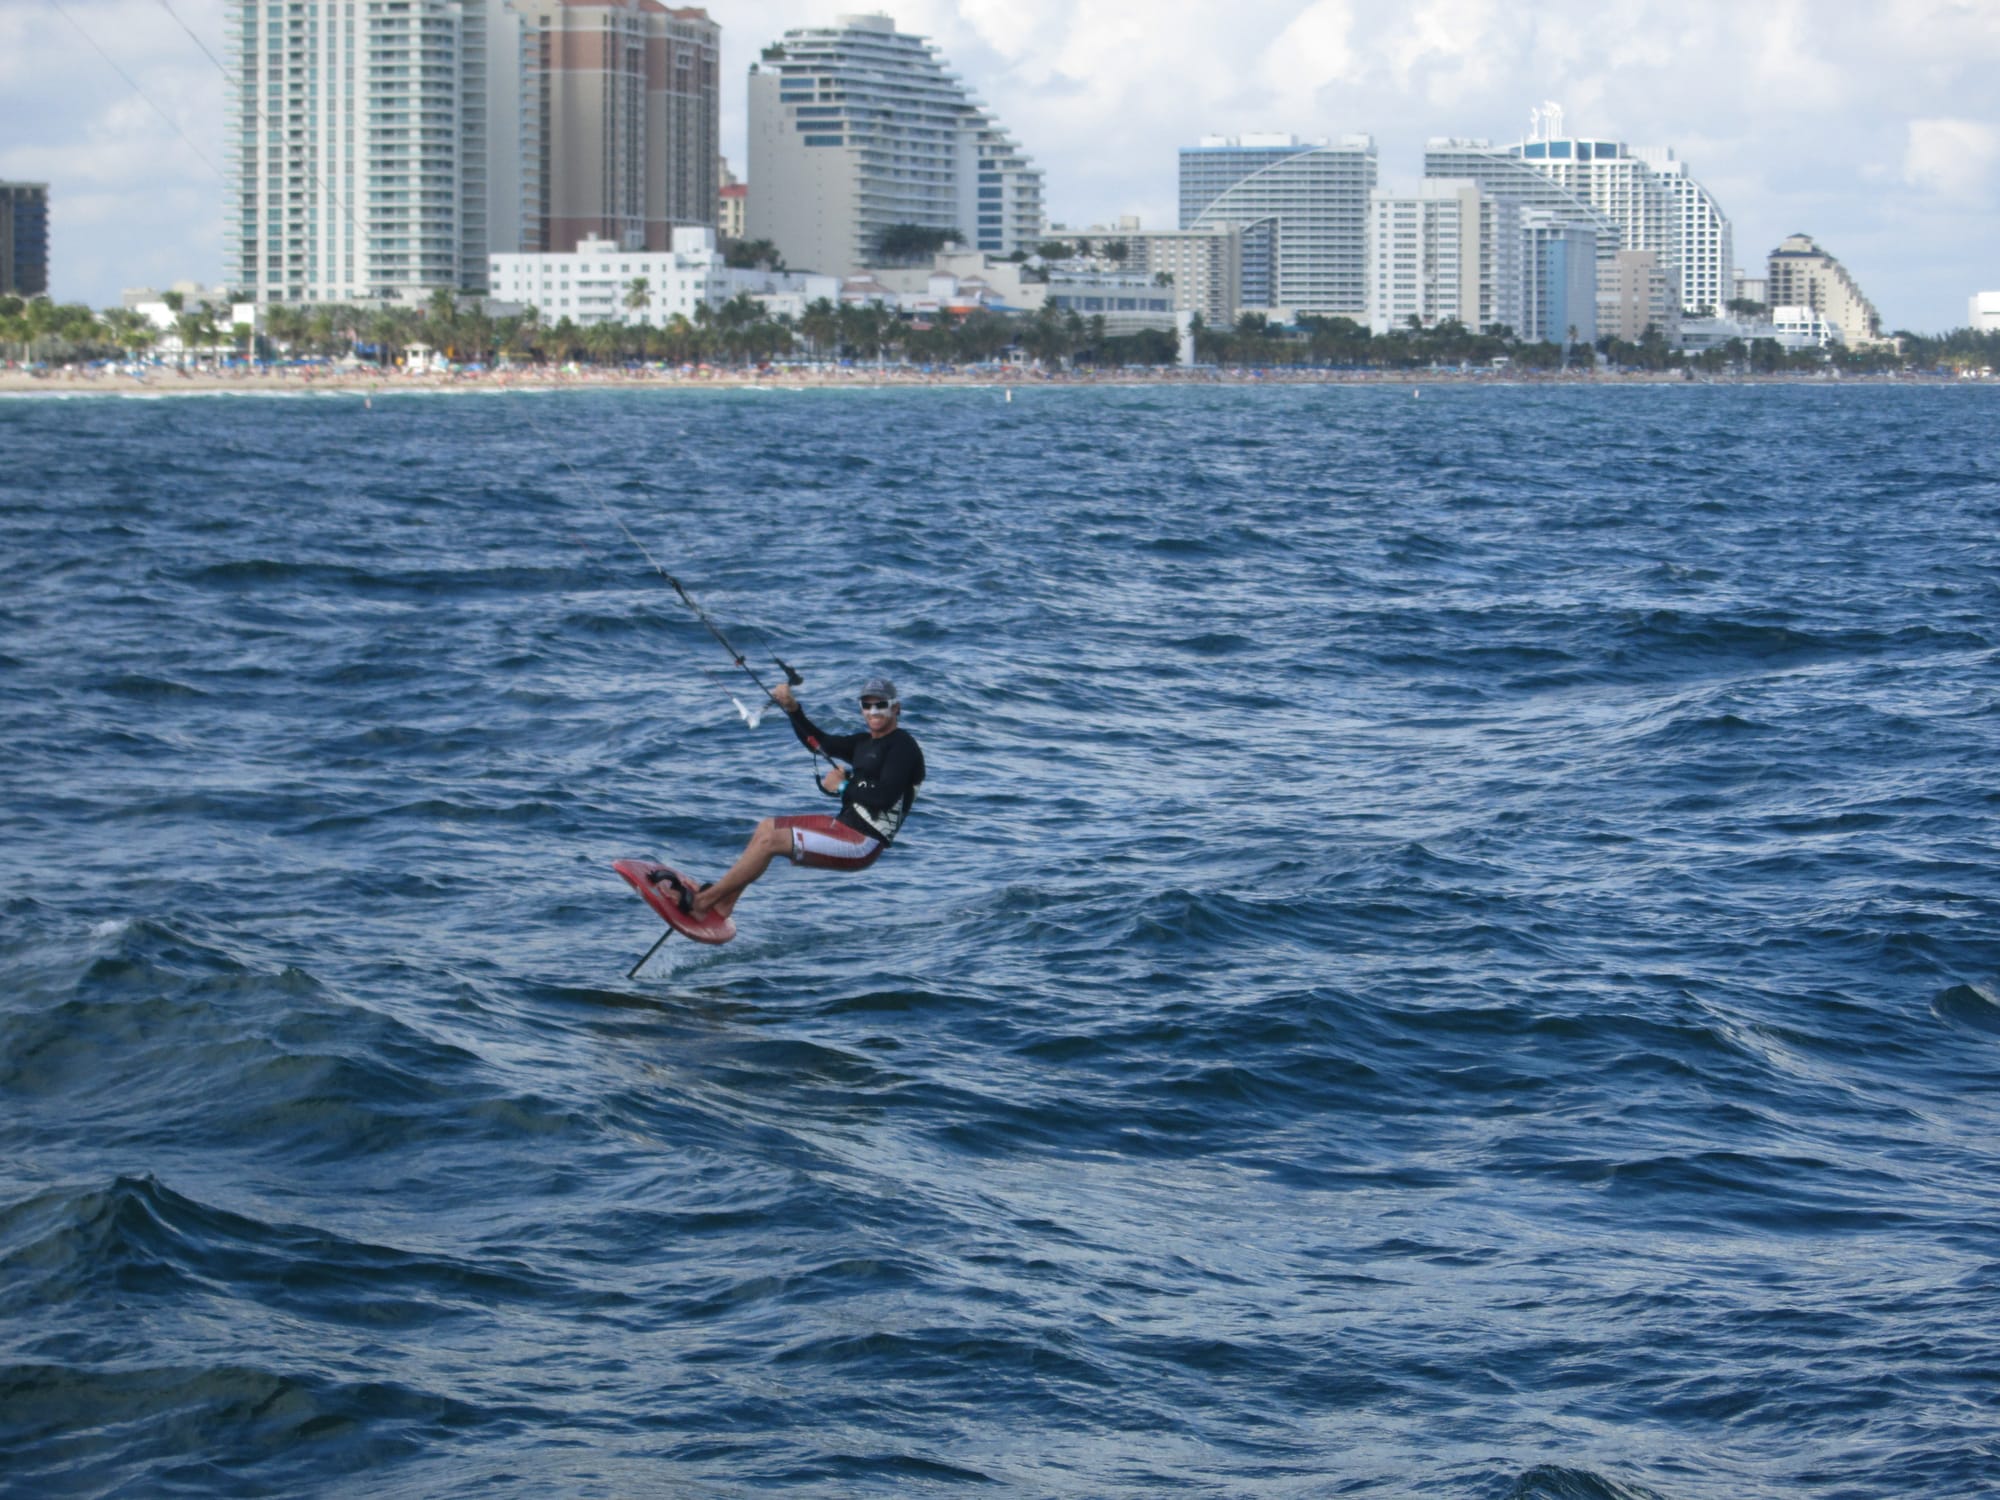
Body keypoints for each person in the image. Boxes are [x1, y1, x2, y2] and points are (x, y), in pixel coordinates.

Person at [671, 676, 926, 920]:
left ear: (896, 708)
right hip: (842, 826)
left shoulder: (903, 747)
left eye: (880, 705)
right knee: (767, 827)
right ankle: (725, 903)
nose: (873, 711)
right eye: (866, 705)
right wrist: (793, 709)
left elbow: (883, 797)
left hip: (863, 843)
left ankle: (703, 903)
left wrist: (843, 786)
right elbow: (819, 743)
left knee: (771, 841)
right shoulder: (863, 743)